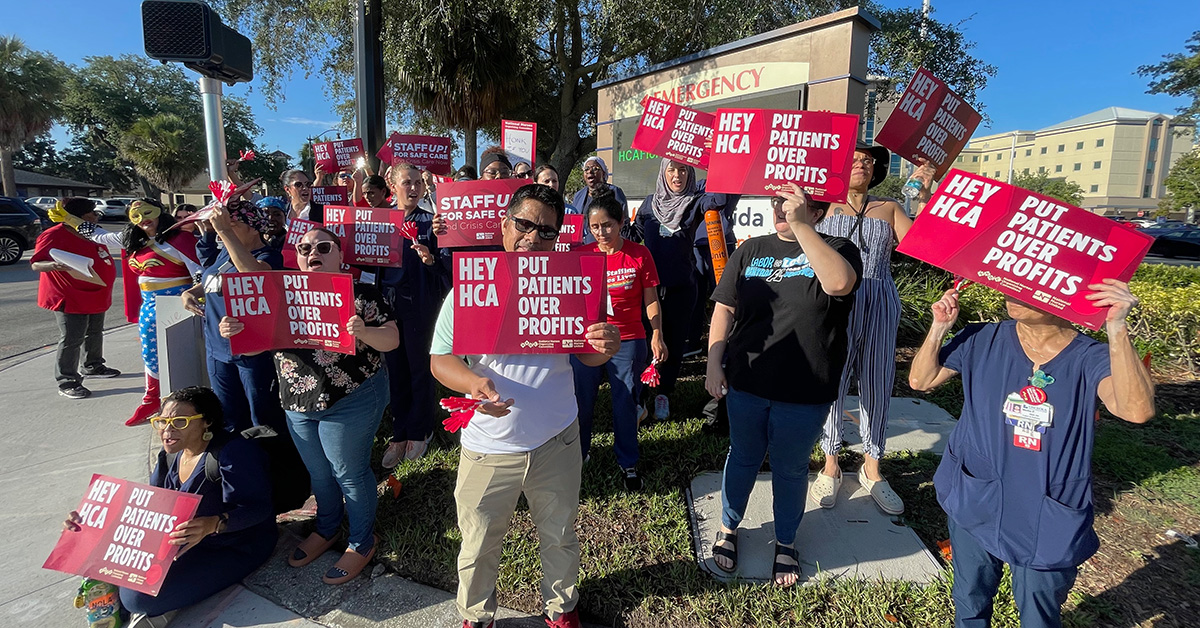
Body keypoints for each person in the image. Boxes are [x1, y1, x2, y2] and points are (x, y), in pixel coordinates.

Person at [430, 184, 621, 628]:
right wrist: (474, 383)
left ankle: (562, 609)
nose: (534, 238)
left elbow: (588, 353)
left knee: (559, 535)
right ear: (504, 225)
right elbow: (440, 359)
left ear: (559, 238)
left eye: (547, 231)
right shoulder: (470, 288)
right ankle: (476, 616)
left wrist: (604, 346)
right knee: (478, 543)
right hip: (488, 446)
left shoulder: (572, 285)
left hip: (557, 439)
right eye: (525, 224)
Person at [909, 282, 1154, 628]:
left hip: (1046, 510)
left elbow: (1136, 410)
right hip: (976, 494)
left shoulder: (1090, 357)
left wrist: (1116, 329)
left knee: (1039, 613)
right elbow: (922, 380)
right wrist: (938, 328)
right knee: (969, 597)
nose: (1013, 292)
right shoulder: (982, 339)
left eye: (1031, 286)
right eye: (1010, 281)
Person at [221, 227, 399, 584]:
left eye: (322, 246)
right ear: (296, 256)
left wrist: (363, 331)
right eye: (304, 248)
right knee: (319, 473)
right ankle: (328, 527)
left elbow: (392, 339)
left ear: (339, 255)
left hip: (353, 398)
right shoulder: (279, 294)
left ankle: (362, 541)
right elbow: (256, 346)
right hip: (298, 401)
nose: (312, 252)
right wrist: (236, 331)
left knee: (349, 472)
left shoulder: (361, 293)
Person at [705, 183, 861, 587]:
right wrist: (712, 363)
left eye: (793, 203)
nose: (781, 208)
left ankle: (786, 542)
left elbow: (839, 285)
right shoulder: (751, 250)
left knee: (790, 470)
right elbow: (725, 308)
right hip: (747, 381)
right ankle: (729, 527)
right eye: (778, 201)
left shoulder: (838, 249)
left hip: (805, 389)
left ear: (818, 210)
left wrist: (800, 225)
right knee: (742, 456)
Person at [65, 386, 277, 628]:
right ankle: (119, 590)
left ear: (206, 422)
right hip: (183, 541)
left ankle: (137, 601)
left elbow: (259, 507)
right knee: (96, 553)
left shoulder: (231, 453)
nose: (167, 430)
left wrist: (214, 524)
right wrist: (90, 519)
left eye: (180, 421)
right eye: (162, 421)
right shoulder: (170, 455)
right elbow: (150, 506)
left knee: (137, 598)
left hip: (234, 546)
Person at [810, 144, 932, 516]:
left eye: (867, 161)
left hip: (879, 297)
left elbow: (923, 245)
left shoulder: (889, 207)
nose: (862, 164)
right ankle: (830, 461)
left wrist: (924, 197)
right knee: (834, 377)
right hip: (836, 300)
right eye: (855, 159)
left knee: (877, 379)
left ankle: (872, 466)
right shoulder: (825, 206)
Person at [181, 199, 309, 513]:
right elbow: (214, 276)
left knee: (264, 422)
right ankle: (244, 486)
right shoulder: (227, 250)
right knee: (230, 422)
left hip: (253, 356)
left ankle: (282, 489)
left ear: (251, 226)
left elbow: (256, 276)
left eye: (231, 224)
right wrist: (191, 292)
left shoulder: (266, 254)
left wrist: (225, 233)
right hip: (219, 352)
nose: (220, 229)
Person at [52, 198, 201, 426]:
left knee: (180, 358)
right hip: (149, 307)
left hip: (178, 308)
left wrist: (194, 295)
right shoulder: (134, 239)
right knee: (151, 356)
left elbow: (201, 274)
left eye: (147, 213)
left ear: (160, 212)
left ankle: (180, 404)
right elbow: (98, 235)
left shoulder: (179, 239)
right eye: (136, 216)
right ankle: (153, 398)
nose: (143, 219)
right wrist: (70, 219)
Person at [571, 194, 666, 490]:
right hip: (589, 340)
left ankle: (628, 461)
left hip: (628, 338)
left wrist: (657, 334)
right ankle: (578, 455)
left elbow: (651, 300)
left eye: (608, 225)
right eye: (595, 226)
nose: (601, 233)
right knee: (580, 402)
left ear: (622, 222)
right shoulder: (581, 254)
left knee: (625, 402)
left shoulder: (639, 254)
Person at [636, 158, 739, 420]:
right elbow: (633, 233)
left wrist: (720, 162)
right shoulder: (649, 205)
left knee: (673, 343)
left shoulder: (695, 202)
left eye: (683, 170)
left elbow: (716, 201)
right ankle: (640, 396)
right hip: (648, 290)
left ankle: (663, 394)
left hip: (682, 289)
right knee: (645, 343)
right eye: (671, 169)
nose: (677, 175)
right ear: (663, 173)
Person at [377, 163, 450, 467]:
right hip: (387, 307)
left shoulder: (430, 222)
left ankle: (420, 430)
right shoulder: (380, 222)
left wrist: (430, 258)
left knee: (419, 368)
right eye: (407, 182)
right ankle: (399, 431)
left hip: (420, 304)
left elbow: (444, 271)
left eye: (418, 182)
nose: (414, 188)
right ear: (392, 186)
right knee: (396, 369)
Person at [30, 197, 120, 399]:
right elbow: (36, 264)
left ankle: (93, 365)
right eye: (93, 213)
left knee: (95, 331)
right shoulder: (53, 235)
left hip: (96, 292)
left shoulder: (92, 233)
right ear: (78, 216)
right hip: (69, 294)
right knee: (72, 337)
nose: (97, 216)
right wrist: (54, 265)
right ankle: (67, 380)